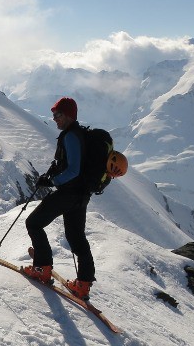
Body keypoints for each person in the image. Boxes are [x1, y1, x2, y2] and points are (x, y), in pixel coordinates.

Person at [22, 96, 126, 300]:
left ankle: (42, 268)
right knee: (76, 237)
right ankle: (83, 284)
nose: (54, 119)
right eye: (53, 115)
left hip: (68, 193)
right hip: (81, 196)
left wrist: (52, 182)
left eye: (58, 115)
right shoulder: (79, 135)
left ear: (69, 115)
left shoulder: (71, 137)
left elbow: (74, 171)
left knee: (33, 223)